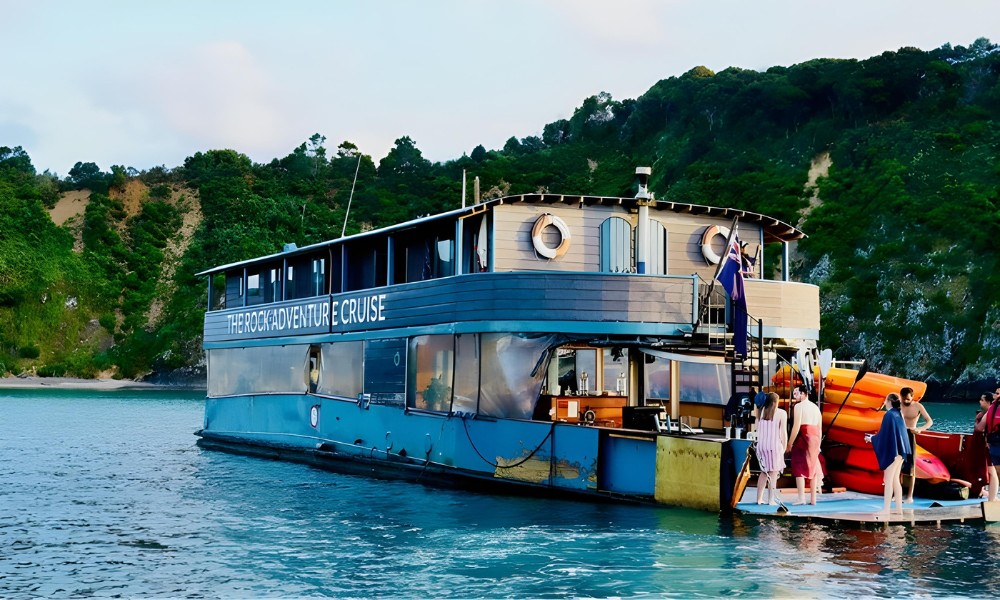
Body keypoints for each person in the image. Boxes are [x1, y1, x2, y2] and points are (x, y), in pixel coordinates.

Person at [869, 392, 912, 514]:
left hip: (894, 452)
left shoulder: (889, 414)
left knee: (888, 480)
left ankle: (886, 510)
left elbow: (884, 435)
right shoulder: (899, 414)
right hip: (901, 451)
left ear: (889, 401)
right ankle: (899, 510)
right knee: (895, 480)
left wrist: (871, 439)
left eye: (885, 401)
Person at [786, 384, 822, 505]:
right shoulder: (816, 408)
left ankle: (801, 498)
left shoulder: (799, 406)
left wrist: (789, 443)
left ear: (803, 393)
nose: (794, 395)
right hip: (815, 437)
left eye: (796, 393)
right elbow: (820, 428)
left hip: (804, 435)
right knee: (813, 467)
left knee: (798, 465)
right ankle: (813, 499)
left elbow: (796, 426)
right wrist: (819, 444)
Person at [899, 386, 933, 503]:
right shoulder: (898, 405)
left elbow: (929, 421)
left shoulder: (918, 406)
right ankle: (898, 493)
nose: (905, 401)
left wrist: (920, 429)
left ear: (912, 398)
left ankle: (909, 496)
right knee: (897, 466)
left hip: (911, 434)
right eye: (904, 399)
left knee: (911, 467)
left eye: (908, 399)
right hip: (899, 434)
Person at [755, 392, 788, 505]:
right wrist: (784, 446)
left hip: (761, 446)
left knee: (764, 472)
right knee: (773, 473)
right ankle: (771, 500)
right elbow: (783, 432)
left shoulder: (760, 412)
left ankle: (759, 499)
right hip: (774, 446)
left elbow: (757, 429)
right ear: (775, 402)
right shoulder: (781, 413)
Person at [975, 387, 1000, 502]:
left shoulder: (990, 410)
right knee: (994, 472)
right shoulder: (991, 410)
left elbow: (979, 428)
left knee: (993, 472)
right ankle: (992, 497)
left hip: (992, 445)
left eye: (997, 393)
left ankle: (992, 499)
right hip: (992, 445)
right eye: (995, 393)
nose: (996, 395)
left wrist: (977, 421)